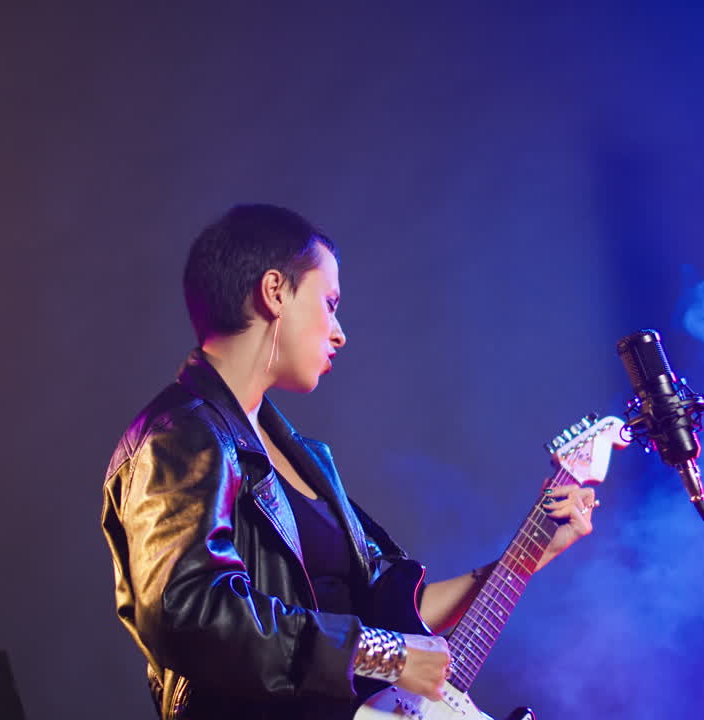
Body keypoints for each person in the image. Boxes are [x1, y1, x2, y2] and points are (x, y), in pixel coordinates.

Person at [101, 204, 598, 719]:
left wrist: (528, 556)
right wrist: (382, 654)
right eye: (330, 302)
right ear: (274, 292)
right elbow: (192, 614)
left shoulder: (300, 458)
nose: (339, 331)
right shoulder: (179, 434)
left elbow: (393, 615)